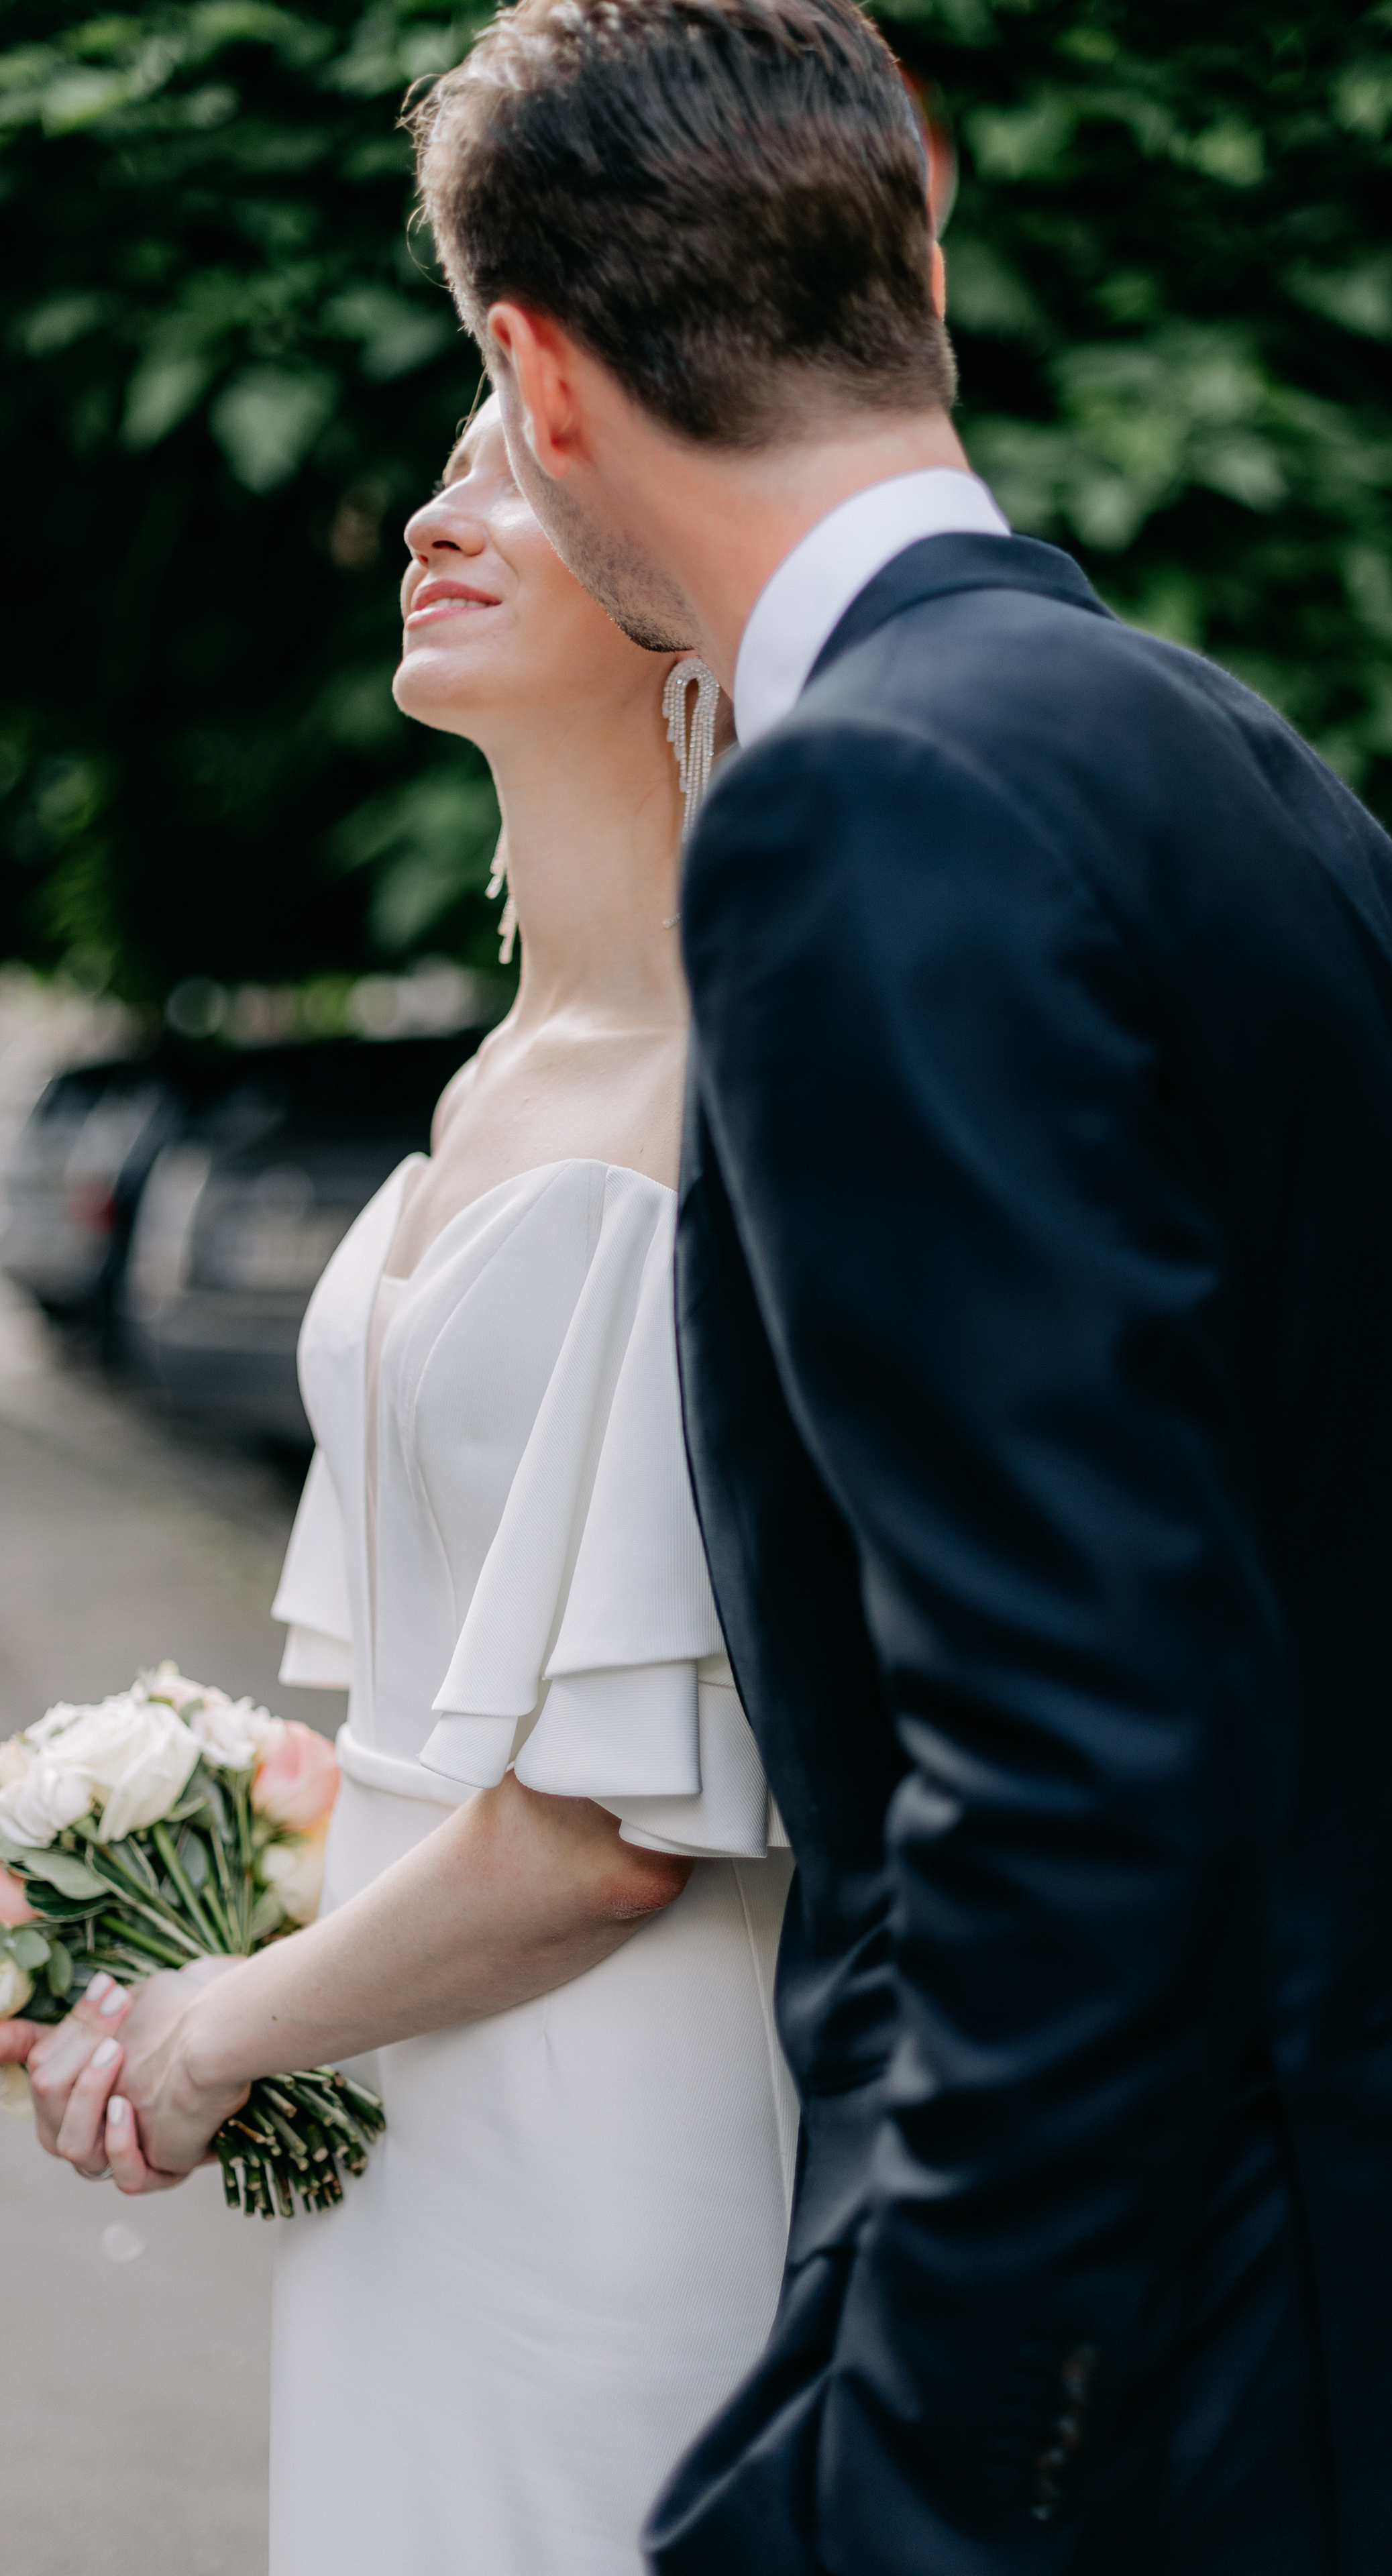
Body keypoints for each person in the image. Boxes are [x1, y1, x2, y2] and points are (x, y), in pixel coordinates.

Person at [399, 3, 1392, 2573]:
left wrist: (902, 2494)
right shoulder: (1253, 765)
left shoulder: (859, 815)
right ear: (921, 274)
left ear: (537, 378)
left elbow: (1075, 1773)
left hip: (1206, 2397)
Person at [10, 393, 798, 2576]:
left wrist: (210, 2036)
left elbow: (612, 1839)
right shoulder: (495, 1072)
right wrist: (200, 1879)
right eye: (448, 471)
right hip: (407, 2068)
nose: (439, 517)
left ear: (680, 590)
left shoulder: (720, 1082)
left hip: (607, 2109)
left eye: (519, 475)